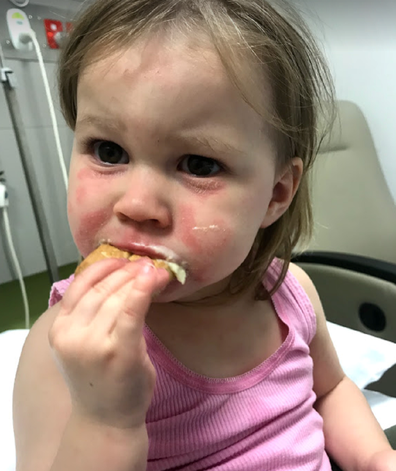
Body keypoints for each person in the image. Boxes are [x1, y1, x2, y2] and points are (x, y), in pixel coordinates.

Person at [12, 1, 396, 470]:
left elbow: (332, 390)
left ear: (276, 195)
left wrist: (375, 457)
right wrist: (104, 420)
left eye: (198, 164)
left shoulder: (291, 294)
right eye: (109, 151)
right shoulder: (64, 347)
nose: (137, 204)